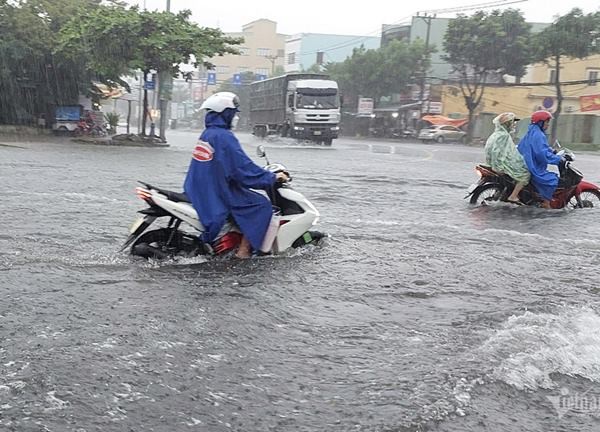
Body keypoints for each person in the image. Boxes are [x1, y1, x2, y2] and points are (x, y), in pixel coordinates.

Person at [183, 92, 288, 258]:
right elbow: (242, 169)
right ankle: (243, 252)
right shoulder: (224, 137)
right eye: (233, 113)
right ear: (225, 113)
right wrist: (271, 177)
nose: (235, 117)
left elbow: (231, 166)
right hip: (218, 191)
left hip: (200, 188)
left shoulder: (209, 133)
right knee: (261, 205)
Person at [517, 110, 563, 209]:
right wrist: (557, 159)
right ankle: (546, 203)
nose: (548, 125)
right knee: (552, 180)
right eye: (546, 122)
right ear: (540, 122)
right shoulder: (539, 135)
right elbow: (542, 154)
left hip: (527, 163)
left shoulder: (532, 131)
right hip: (533, 166)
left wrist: (551, 151)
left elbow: (540, 148)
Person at [484, 112, 530, 205]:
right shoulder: (503, 135)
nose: (513, 125)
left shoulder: (497, 134)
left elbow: (503, 149)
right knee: (526, 174)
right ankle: (513, 196)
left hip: (491, 163)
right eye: (512, 123)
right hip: (500, 164)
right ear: (507, 124)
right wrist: (499, 167)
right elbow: (496, 152)